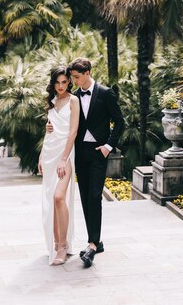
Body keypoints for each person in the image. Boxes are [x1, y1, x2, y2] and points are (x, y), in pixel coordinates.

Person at [66, 57, 125, 268]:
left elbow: (120, 122)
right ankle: (96, 241)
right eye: (72, 77)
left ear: (88, 72)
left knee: (94, 196)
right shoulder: (73, 97)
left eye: (76, 77)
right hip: (80, 153)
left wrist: (108, 147)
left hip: (99, 153)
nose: (74, 81)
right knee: (84, 197)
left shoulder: (106, 93)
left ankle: (91, 245)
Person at [38, 65, 80, 266]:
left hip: (66, 154)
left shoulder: (74, 101)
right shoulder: (52, 102)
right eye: (58, 82)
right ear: (53, 83)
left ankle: (63, 246)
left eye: (64, 82)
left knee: (59, 196)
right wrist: (40, 157)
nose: (61, 86)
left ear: (69, 82)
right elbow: (49, 132)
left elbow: (73, 132)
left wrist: (64, 158)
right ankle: (56, 244)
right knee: (51, 200)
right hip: (49, 153)